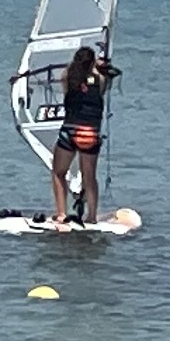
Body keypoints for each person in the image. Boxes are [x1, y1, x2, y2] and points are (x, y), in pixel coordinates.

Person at [48, 40, 117, 224]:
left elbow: (69, 88)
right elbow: (101, 85)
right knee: (89, 177)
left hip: (70, 131)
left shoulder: (67, 76)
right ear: (92, 63)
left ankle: (61, 213)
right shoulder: (100, 80)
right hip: (90, 133)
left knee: (58, 172)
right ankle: (92, 216)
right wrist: (100, 65)